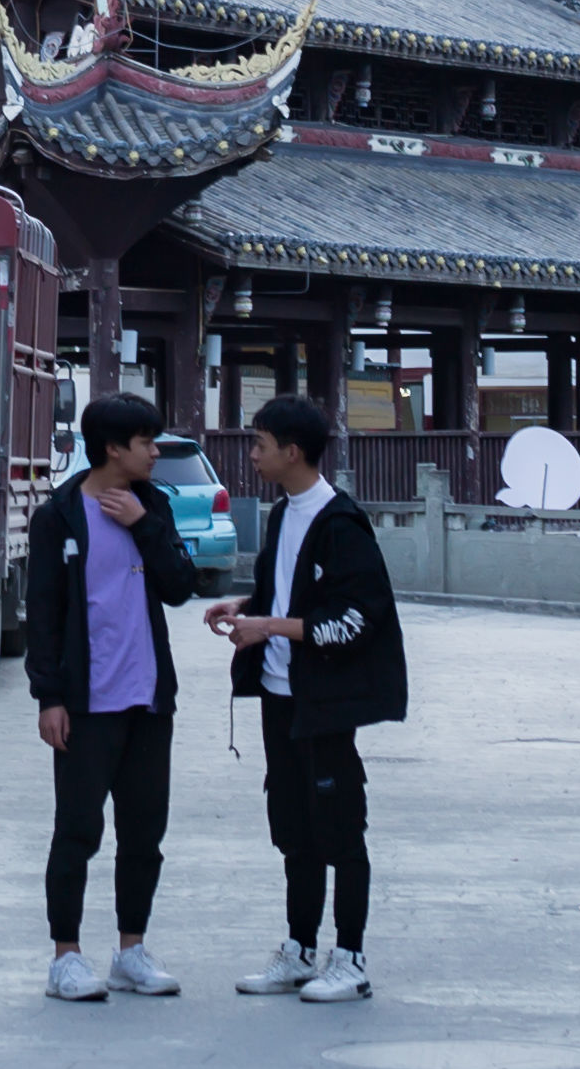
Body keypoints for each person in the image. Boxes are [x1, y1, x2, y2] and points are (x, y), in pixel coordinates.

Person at [204, 392, 404, 1007]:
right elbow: (283, 594)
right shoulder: (281, 514)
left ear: (293, 452)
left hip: (325, 704)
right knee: (293, 827)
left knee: (340, 828)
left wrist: (269, 627)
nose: (252, 456)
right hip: (279, 695)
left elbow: (354, 620)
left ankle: (350, 957)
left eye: (260, 445)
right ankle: (298, 949)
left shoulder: (341, 524)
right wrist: (247, 608)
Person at [24, 390, 188, 1002]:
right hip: (86, 703)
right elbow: (43, 613)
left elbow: (178, 587)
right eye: (146, 442)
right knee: (77, 830)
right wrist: (49, 696)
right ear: (113, 448)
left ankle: (131, 951)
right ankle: (66, 957)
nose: (155, 451)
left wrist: (144, 527)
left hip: (148, 700)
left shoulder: (153, 505)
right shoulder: (60, 515)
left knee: (144, 831)